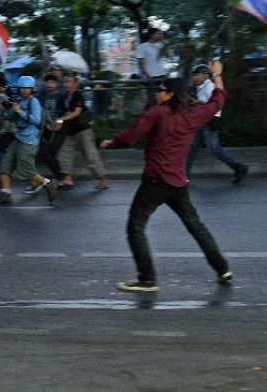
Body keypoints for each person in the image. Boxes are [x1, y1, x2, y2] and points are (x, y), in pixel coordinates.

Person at [99, 60, 232, 293]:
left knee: (135, 227)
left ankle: (147, 279)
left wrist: (111, 142)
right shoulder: (193, 115)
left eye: (161, 89)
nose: (158, 93)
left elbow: (131, 136)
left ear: (170, 94)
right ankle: (222, 268)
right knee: (195, 226)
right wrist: (218, 75)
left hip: (156, 180)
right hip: (178, 182)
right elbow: (218, 100)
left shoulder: (158, 113)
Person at [0, 76, 58, 204]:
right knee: (4, 166)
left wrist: (20, 112)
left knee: (27, 171)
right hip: (18, 138)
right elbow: (11, 118)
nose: (24, 90)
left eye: (27, 88)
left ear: (32, 89)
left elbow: (36, 120)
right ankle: (6, 193)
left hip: (29, 141)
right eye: (22, 88)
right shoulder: (19, 101)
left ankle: (48, 183)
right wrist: (9, 109)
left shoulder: (33, 102)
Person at [186, 64, 249, 183]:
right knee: (192, 147)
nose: (195, 77)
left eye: (197, 75)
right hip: (201, 121)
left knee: (214, 148)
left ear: (205, 75)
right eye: (194, 75)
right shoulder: (199, 87)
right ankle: (184, 176)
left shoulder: (210, 87)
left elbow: (214, 104)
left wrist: (196, 102)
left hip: (209, 121)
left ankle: (239, 167)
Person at [56, 72, 109, 190]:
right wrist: (62, 118)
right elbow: (66, 112)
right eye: (65, 82)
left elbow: (77, 112)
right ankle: (67, 178)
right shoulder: (65, 97)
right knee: (64, 154)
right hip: (70, 131)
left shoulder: (77, 95)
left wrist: (62, 119)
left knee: (91, 155)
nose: (66, 84)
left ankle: (102, 179)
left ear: (75, 83)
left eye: (69, 81)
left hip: (83, 131)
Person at [35, 72, 65, 187]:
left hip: (58, 128)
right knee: (45, 154)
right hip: (46, 128)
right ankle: (59, 176)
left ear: (57, 84)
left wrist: (60, 122)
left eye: (52, 82)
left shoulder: (61, 96)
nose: (49, 84)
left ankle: (61, 177)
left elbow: (65, 111)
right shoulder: (44, 95)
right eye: (48, 82)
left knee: (52, 152)